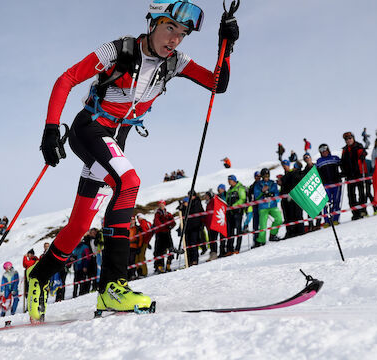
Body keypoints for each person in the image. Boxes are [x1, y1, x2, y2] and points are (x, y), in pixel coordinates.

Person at [26, 0, 239, 320]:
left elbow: (216, 84)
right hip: (90, 130)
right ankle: (112, 288)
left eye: (181, 34)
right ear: (152, 23)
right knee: (129, 182)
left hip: (113, 142)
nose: (175, 39)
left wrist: (227, 45)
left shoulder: (176, 61)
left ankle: (38, 279)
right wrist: (50, 129)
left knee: (81, 224)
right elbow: (66, 79)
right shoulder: (119, 50)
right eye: (170, 28)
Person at [340, 132, 367, 220]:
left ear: (353, 138)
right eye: (346, 139)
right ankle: (355, 213)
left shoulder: (358, 146)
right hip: (349, 175)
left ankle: (363, 210)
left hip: (358, 173)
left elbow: (363, 153)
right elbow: (343, 161)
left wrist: (363, 154)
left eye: (350, 138)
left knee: (361, 192)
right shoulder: (344, 150)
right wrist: (343, 171)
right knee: (351, 195)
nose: (348, 140)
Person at [253, 168, 283, 246]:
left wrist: (272, 195)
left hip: (272, 205)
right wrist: (262, 192)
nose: (266, 177)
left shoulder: (272, 183)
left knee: (279, 219)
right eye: (264, 175)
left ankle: (273, 234)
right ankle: (261, 240)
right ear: (262, 176)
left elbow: (276, 193)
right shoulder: (258, 184)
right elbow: (256, 196)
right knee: (263, 224)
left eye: (267, 175)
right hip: (263, 206)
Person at [316, 144, 342, 225]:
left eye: (325, 149)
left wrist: (342, 174)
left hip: (336, 183)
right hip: (326, 185)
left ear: (328, 149)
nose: (324, 151)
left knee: (336, 201)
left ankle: (335, 219)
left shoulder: (335, 158)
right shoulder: (319, 161)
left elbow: (343, 166)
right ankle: (327, 221)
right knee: (326, 203)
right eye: (322, 150)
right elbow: (317, 173)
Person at [279, 161, 304, 237]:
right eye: (283, 165)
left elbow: (292, 183)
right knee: (288, 216)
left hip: (294, 197)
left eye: (285, 165)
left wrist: (282, 181)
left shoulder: (294, 173)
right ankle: (290, 232)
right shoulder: (286, 175)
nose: (284, 167)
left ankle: (298, 231)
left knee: (296, 215)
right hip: (286, 198)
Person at [179, 192, 205, 266]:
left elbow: (199, 214)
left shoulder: (195, 205)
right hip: (187, 229)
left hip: (195, 227)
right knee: (187, 245)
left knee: (193, 244)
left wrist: (201, 225)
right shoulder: (184, 208)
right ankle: (189, 260)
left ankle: (194, 260)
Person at [225, 175, 246, 254]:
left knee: (238, 230)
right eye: (228, 180)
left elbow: (242, 199)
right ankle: (230, 249)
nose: (229, 181)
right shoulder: (229, 190)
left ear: (233, 180)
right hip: (230, 213)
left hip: (238, 212)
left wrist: (234, 206)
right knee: (230, 231)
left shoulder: (239, 188)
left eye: (230, 180)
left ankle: (237, 248)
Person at [153, 200, 175, 272]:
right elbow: (157, 223)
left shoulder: (168, 214)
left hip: (167, 234)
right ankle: (160, 267)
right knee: (159, 251)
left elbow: (173, 222)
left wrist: (171, 226)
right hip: (160, 234)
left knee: (171, 249)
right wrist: (166, 226)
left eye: (163, 204)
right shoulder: (157, 214)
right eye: (160, 204)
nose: (161, 205)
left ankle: (168, 265)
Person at [246, 171, 261, 247]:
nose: (258, 177)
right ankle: (256, 240)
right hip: (255, 207)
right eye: (257, 176)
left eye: (259, 176)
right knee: (255, 224)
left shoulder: (262, 183)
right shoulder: (252, 186)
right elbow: (249, 197)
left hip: (263, 206)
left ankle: (261, 239)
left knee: (262, 223)